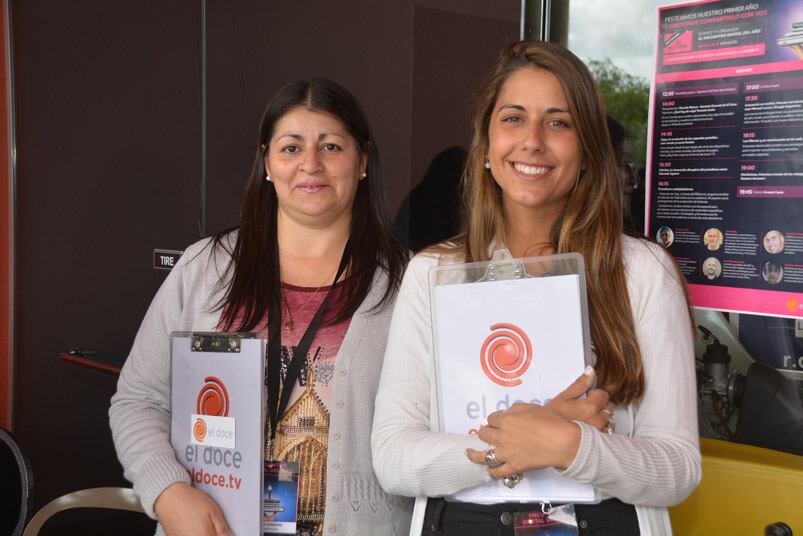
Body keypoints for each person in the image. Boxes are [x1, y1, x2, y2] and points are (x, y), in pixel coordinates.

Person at [372, 41, 700, 536]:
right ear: (484, 147)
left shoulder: (641, 272)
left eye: (558, 122)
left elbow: (678, 468)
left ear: (587, 151)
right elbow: (394, 458)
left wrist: (569, 446)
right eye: (513, 118)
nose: (533, 141)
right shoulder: (434, 274)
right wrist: (520, 441)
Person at [110, 78, 412, 536]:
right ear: (267, 162)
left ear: (363, 160)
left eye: (331, 146)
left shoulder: (408, 284)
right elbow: (138, 400)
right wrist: (167, 491)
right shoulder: (207, 269)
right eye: (291, 148)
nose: (310, 164)